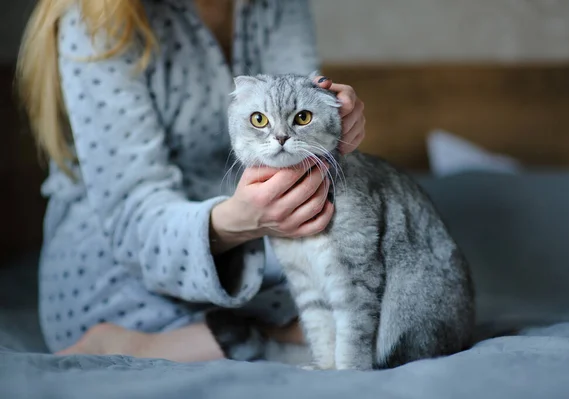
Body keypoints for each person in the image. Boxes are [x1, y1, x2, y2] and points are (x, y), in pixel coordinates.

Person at [17, 0, 366, 362]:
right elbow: (133, 214)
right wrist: (238, 222)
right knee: (337, 311)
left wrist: (329, 124)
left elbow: (292, 120)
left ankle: (260, 334)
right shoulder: (92, 19)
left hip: (253, 227)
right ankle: (268, 331)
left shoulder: (279, 6)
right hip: (127, 254)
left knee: (364, 273)